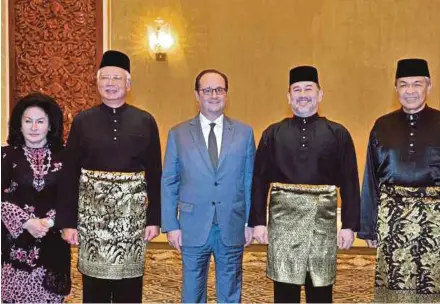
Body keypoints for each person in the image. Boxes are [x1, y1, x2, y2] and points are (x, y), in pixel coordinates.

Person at [56, 50, 162, 303]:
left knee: (130, 286)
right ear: (97, 83)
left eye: (117, 78)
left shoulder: (145, 121)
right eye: (105, 78)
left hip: (131, 217)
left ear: (128, 84)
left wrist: (154, 219)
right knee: (94, 288)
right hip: (92, 217)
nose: (111, 84)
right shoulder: (83, 121)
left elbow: (155, 174)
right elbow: (70, 173)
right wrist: (68, 222)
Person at [250, 66, 361, 303]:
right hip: (283, 225)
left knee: (320, 290)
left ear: (320, 95)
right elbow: (259, 180)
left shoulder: (338, 133)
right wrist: (258, 222)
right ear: (288, 97)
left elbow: (350, 182)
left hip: (322, 223)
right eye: (296, 90)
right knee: (285, 292)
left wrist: (349, 225)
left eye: (308, 89)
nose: (302, 94)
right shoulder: (273, 133)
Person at [161, 69, 256, 303]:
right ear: (197, 95)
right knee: (192, 293)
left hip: (232, 224)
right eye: (207, 90)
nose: (214, 95)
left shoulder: (244, 133)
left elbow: (249, 179)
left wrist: (250, 222)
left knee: (230, 293)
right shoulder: (178, 134)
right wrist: (171, 225)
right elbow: (169, 181)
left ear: (226, 94)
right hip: (192, 225)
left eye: (219, 90)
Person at [358, 58, 440, 303]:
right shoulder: (382, 126)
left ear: (429, 86)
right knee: (394, 286)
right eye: (404, 85)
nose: (411, 91)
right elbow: (371, 178)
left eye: (417, 84)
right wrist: (369, 225)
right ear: (396, 89)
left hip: (435, 221)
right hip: (392, 222)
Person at [1, 92, 71, 303]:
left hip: (53, 243)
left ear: (50, 125)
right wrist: (26, 222)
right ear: (19, 125)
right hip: (15, 246)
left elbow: (72, 195)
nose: (33, 127)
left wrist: (47, 222)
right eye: (28, 121)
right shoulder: (5, 156)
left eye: (40, 121)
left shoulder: (66, 156)